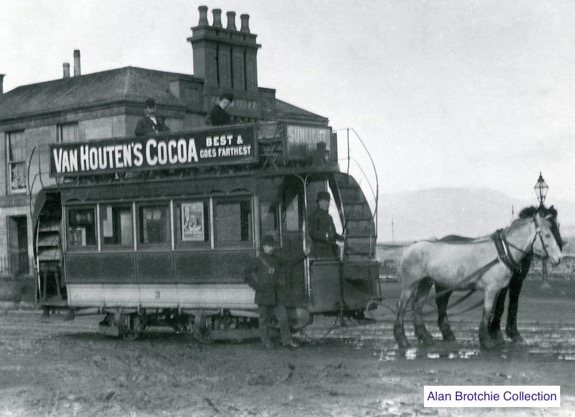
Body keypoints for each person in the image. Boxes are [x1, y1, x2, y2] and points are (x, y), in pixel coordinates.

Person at [243, 235, 306, 349]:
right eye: (269, 246)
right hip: (263, 294)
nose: (272, 248)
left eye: (273, 245)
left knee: (283, 318)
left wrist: (304, 253)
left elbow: (291, 261)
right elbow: (245, 274)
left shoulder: (277, 258)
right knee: (264, 321)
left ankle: (286, 340)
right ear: (264, 247)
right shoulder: (257, 260)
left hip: (276, 295)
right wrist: (256, 286)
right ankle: (266, 342)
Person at [308, 191, 343, 258]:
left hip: (331, 251)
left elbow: (333, 233)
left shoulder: (329, 217)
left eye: (328, 201)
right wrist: (326, 235)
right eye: (325, 201)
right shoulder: (314, 216)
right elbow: (312, 233)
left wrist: (340, 237)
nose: (327, 203)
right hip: (319, 253)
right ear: (319, 202)